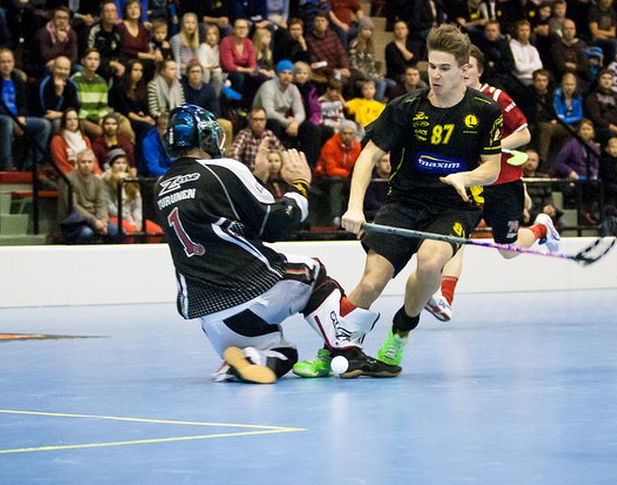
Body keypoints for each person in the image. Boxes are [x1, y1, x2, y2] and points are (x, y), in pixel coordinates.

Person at [301, 25, 502, 378]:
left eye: (444, 68)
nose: (435, 75)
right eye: (432, 66)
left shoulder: (485, 111)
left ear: (463, 69)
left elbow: (492, 169)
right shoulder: (406, 107)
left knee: (430, 262)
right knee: (372, 281)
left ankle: (400, 332)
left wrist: (465, 178)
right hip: (404, 202)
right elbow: (367, 156)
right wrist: (354, 206)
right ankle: (332, 350)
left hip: (455, 206)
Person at [155, 105, 395, 382]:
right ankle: (347, 352)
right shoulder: (224, 170)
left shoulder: (161, 186)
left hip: (213, 321)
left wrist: (257, 179)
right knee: (312, 271)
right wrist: (299, 185)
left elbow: (228, 217)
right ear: (206, 138)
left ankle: (246, 359)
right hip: (248, 293)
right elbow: (277, 223)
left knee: (283, 353)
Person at [424, 45, 557, 321]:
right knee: (455, 240)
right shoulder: (451, 100)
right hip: (470, 183)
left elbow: (523, 135)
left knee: (508, 250)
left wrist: (492, 147)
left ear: (479, 71)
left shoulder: (496, 97)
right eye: (460, 66)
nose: (463, 71)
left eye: (469, 66)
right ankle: (446, 299)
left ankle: (542, 228)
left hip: (503, 183)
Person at [0, 49, 52, 170]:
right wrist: (14, 119)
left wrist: (21, 116)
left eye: (9, 61)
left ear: (13, 63)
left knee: (44, 125)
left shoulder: (18, 80)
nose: (6, 65)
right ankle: (7, 164)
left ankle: (32, 164)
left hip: (17, 118)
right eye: (3, 62)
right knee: (7, 122)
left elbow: (24, 104)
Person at [58, 149, 119, 244]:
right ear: (77, 163)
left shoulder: (97, 181)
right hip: (75, 221)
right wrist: (94, 221)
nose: (87, 165)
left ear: (94, 164)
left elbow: (101, 204)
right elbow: (74, 206)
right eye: (83, 162)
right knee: (87, 233)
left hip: (96, 219)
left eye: (90, 162)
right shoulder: (68, 180)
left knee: (117, 231)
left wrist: (103, 222)